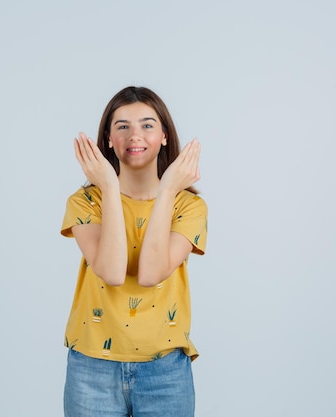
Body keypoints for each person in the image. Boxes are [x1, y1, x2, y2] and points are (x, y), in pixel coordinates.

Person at [60, 86, 208, 417]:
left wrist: (168, 187)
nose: (134, 135)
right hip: (92, 369)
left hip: (166, 371)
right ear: (108, 139)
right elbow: (111, 273)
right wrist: (110, 187)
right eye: (122, 126)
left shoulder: (189, 205)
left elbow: (150, 274)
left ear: (165, 136)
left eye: (147, 124)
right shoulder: (86, 202)